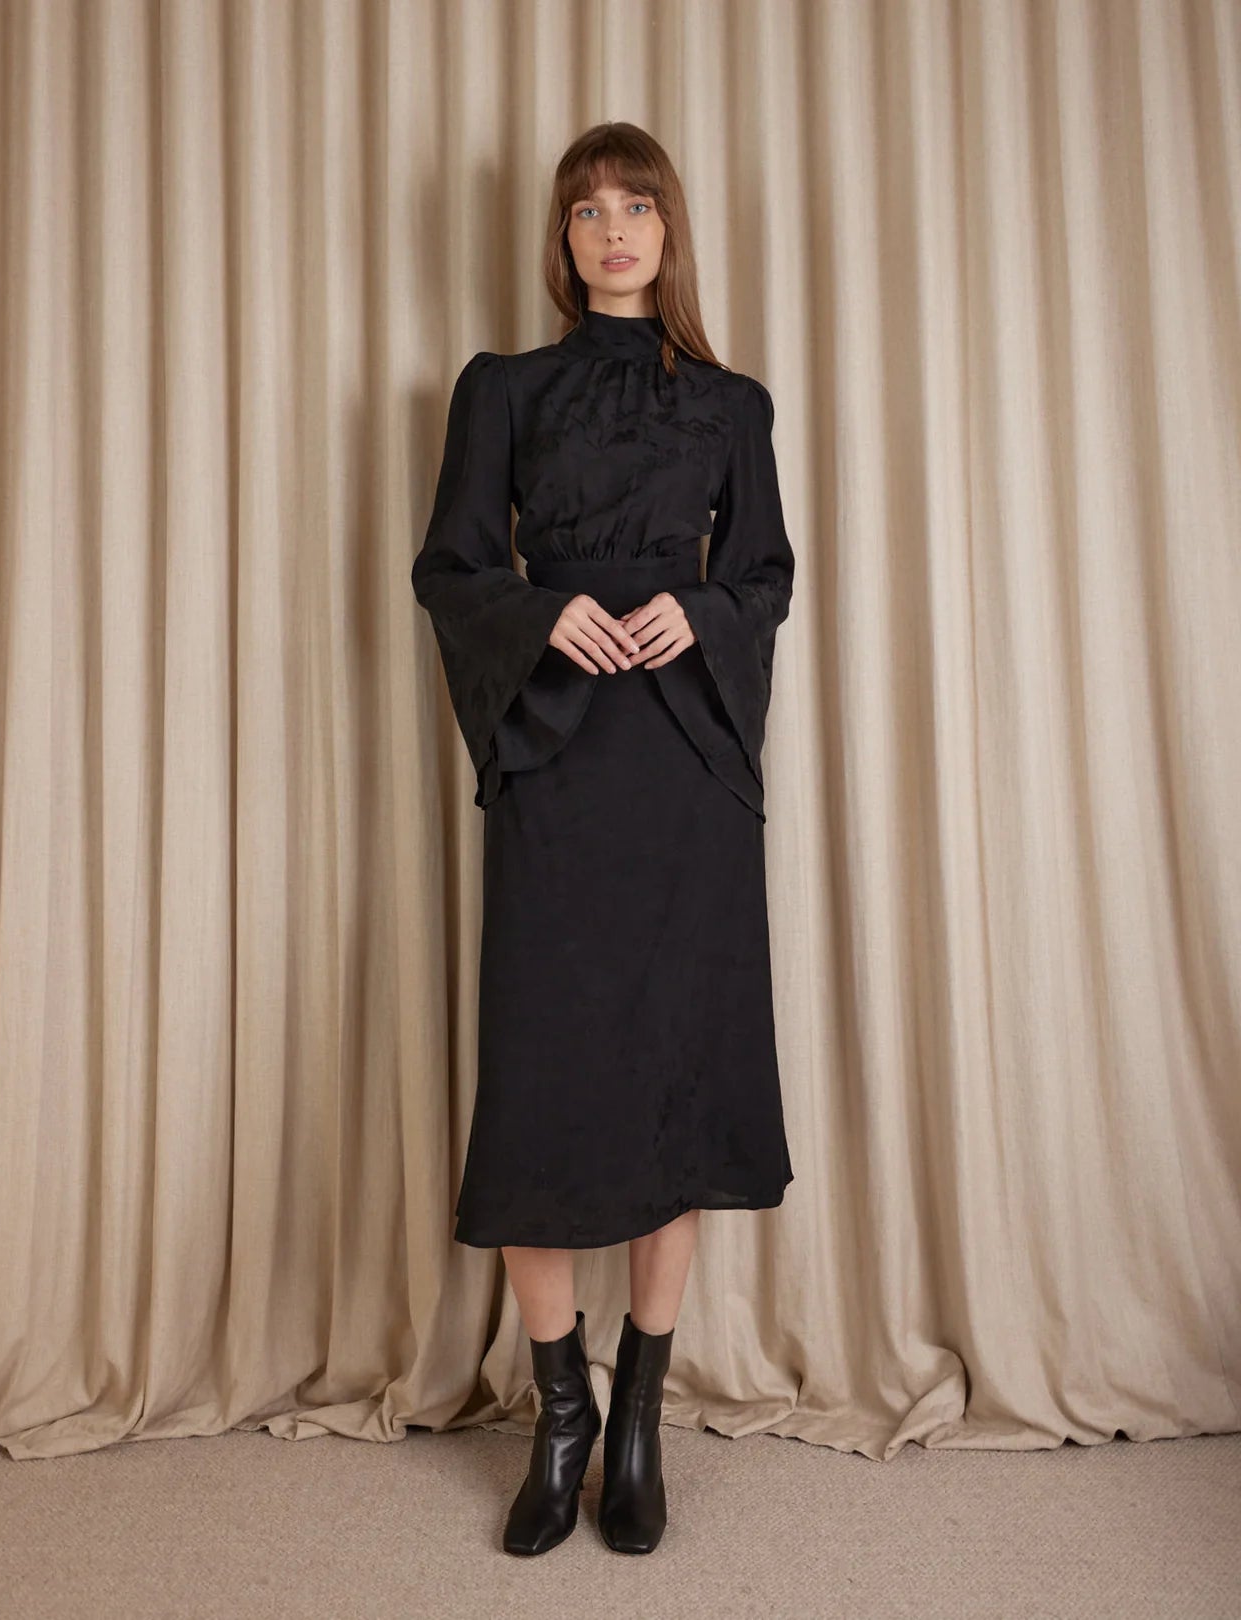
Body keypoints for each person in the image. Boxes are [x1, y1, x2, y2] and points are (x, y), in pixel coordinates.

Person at [410, 122, 795, 1557]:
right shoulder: (501, 389)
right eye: (587, 210)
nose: (613, 229)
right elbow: (448, 566)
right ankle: (557, 1416)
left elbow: (765, 576)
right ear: (563, 238)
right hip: (557, 759)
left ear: (668, 230)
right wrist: (537, 609)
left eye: (636, 205)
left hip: (686, 769)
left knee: (674, 1088)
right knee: (544, 1089)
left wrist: (696, 611)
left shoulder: (735, 406)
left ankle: (638, 1422)